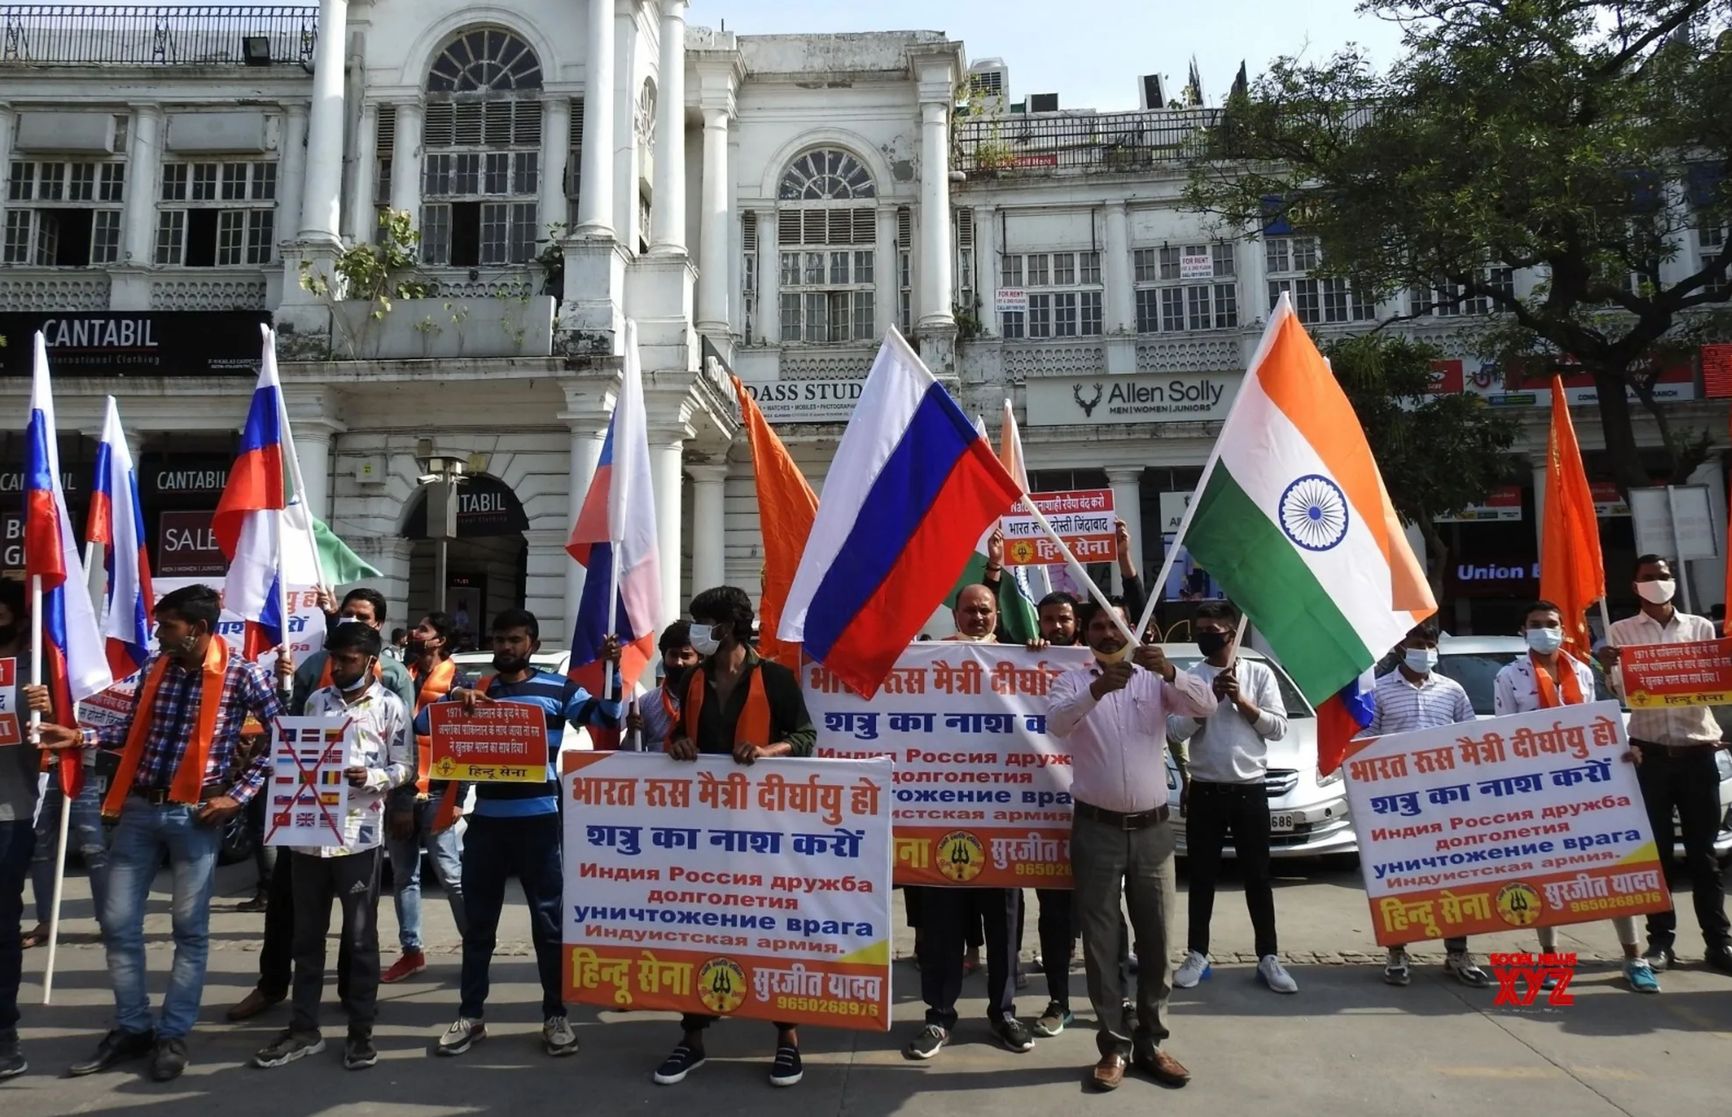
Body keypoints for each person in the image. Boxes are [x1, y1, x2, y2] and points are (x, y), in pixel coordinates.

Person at [36, 584, 282, 1083]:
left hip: (195, 816)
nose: (156, 632)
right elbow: (132, 732)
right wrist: (81, 736)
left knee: (189, 930)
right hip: (140, 807)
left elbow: (285, 739)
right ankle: (132, 1027)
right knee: (118, 923)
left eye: (166, 625)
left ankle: (173, 1033)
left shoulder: (243, 672)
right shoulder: (156, 667)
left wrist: (238, 795)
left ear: (197, 628)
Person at [430, 609, 620, 1059]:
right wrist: (454, 700)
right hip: (487, 823)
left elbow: (607, 718)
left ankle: (556, 1016)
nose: (505, 647)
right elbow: (427, 728)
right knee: (479, 926)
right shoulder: (474, 690)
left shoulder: (558, 689)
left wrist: (612, 671)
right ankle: (471, 1015)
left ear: (532, 643)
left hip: (538, 821)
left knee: (549, 925)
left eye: (514, 640)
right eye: (499, 639)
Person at [1047, 600, 1214, 1091]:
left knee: (1159, 940)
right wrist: (1098, 689)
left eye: (1114, 624)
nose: (1105, 632)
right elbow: (1056, 723)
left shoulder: (1155, 678)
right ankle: (1114, 1046)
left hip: (1153, 832)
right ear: (1086, 634)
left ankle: (1152, 1041)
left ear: (1135, 630)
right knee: (1101, 943)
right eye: (1097, 625)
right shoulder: (1074, 681)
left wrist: (1171, 673)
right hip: (1095, 829)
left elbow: (1205, 707)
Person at [653, 586, 816, 1089]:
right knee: (699, 928)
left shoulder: (776, 678)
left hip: (766, 829)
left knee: (770, 930)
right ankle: (693, 1038)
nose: (696, 630)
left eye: (703, 622)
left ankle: (786, 1038)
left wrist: (769, 752)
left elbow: (807, 738)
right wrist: (676, 742)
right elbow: (681, 733)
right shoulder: (693, 677)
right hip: (705, 831)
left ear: (728, 627)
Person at [230, 586, 416, 1023]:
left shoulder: (392, 697)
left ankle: (359, 1014)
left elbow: (405, 763)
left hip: (358, 831)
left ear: (372, 657)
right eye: (336, 658)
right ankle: (295, 1013)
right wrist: (277, 766)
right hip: (306, 827)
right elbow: (292, 740)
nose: (339, 666)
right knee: (298, 926)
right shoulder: (317, 695)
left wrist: (375, 780)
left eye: (349, 659)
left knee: (358, 932)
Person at [1496, 600, 1659, 993]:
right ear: (1524, 630)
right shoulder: (1509, 675)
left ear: (1563, 628)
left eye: (1550, 623)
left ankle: (1634, 957)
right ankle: (1550, 957)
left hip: (1588, 785)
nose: (1543, 630)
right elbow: (1503, 733)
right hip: (1536, 787)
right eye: (1535, 624)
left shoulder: (1582, 672)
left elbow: (1595, 725)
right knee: (1544, 873)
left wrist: (1619, 751)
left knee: (1612, 866)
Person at [903, 586, 1032, 1062]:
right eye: (969, 610)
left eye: (985, 610)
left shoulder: (1022, 663)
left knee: (1003, 929)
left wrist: (1039, 655)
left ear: (997, 616)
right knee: (940, 930)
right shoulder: (933, 659)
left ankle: (1003, 1014)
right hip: (943, 821)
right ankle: (938, 1017)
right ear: (955, 614)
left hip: (1003, 824)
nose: (977, 616)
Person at [1601, 556, 1732, 974]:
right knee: (1656, 855)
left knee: (1704, 857)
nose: (1658, 583)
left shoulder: (1700, 628)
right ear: (1635, 585)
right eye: (1648, 578)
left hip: (1698, 754)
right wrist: (1611, 666)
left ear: (1673, 581)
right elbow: (1621, 689)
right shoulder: (1621, 632)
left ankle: (1718, 943)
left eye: (1663, 576)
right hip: (1651, 756)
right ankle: (1661, 942)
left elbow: (1711, 682)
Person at [1166, 602, 1295, 995]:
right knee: (1202, 877)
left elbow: (1278, 729)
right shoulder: (1192, 677)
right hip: (1206, 788)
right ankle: (1197, 953)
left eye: (1212, 629)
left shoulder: (1258, 672)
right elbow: (1174, 730)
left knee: (1257, 876)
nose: (1205, 635)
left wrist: (1242, 701)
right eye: (1200, 628)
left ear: (1230, 632)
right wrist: (1209, 704)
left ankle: (1268, 956)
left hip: (1250, 789)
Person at [1365, 621, 1489, 988]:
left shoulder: (1452, 691)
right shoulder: (1380, 691)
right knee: (1399, 877)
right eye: (1418, 642)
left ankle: (1457, 953)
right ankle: (1397, 952)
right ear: (1403, 645)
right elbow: (1367, 742)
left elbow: (1469, 741)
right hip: (1397, 805)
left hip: (1446, 802)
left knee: (1454, 877)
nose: (1425, 649)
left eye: (1430, 642)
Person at [381, 611, 470, 985]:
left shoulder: (460, 681)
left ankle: (475, 947)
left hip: (437, 791)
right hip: (401, 790)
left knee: (451, 875)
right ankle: (411, 951)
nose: (415, 634)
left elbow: (468, 745)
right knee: (405, 877)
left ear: (441, 640)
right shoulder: (404, 675)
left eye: (424, 629)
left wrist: (459, 796)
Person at [2, 578, 52, 1079]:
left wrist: (50, 707)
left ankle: (4, 1036)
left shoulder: (35, 677)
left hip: (8, 818)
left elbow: (64, 740)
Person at [630, 621, 700, 752]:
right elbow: (630, 756)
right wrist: (632, 734)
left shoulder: (711, 699)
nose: (679, 662)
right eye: (673, 655)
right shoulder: (645, 703)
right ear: (663, 656)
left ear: (699, 658)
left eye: (686, 656)